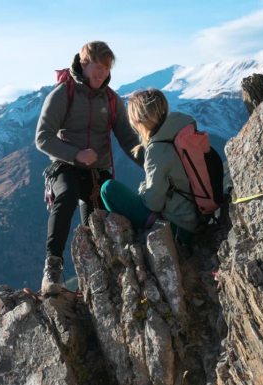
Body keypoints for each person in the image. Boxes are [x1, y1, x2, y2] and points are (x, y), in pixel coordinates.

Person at [35, 41, 143, 296]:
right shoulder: (64, 94)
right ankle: (52, 269)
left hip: (97, 172)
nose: (103, 73)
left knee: (98, 225)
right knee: (67, 194)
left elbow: (128, 139)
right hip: (65, 166)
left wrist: (151, 163)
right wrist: (76, 154)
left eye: (107, 69)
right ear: (84, 64)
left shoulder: (112, 99)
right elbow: (43, 137)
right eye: (99, 67)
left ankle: (97, 283)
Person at [100, 88, 199, 244]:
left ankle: (131, 241)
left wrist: (143, 191)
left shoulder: (158, 149)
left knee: (108, 189)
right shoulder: (185, 132)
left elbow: (154, 202)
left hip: (179, 228)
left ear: (138, 120)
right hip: (199, 216)